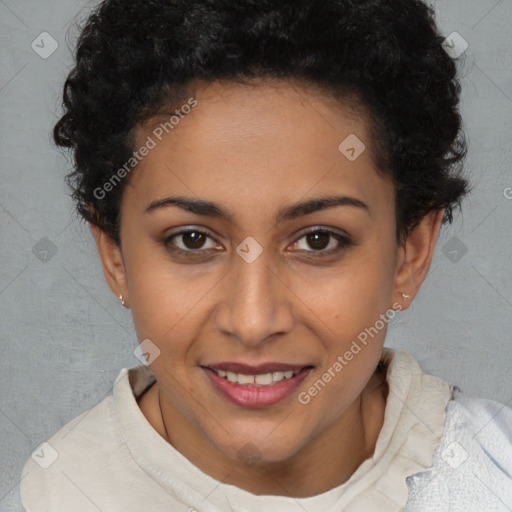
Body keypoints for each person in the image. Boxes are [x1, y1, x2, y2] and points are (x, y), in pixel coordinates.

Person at [20, 0, 512, 510]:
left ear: (410, 253)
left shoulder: (495, 474)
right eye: (192, 240)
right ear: (115, 257)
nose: (253, 322)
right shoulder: (55, 495)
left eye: (318, 240)